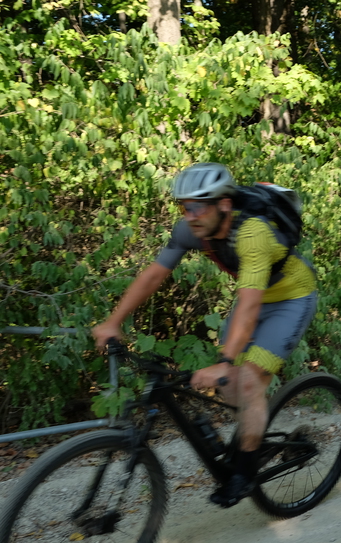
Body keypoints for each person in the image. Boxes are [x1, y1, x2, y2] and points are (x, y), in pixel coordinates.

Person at [92, 163, 317, 508]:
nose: (191, 215)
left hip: (291, 299)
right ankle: (253, 440)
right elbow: (154, 275)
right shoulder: (190, 230)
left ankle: (243, 473)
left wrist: (226, 360)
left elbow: (249, 303)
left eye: (199, 206)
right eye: (184, 207)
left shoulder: (253, 233)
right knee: (229, 386)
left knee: (246, 382)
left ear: (224, 205)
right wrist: (113, 321)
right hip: (252, 300)